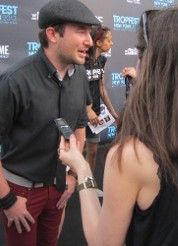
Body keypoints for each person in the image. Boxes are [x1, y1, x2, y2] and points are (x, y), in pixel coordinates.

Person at [58, 8, 178, 246]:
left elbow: (103, 242)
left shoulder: (131, 156)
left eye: (139, 51)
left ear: (150, 62)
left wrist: (83, 170)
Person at [0, 0, 100, 245]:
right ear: (53, 34)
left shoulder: (79, 76)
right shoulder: (15, 81)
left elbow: (78, 126)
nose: (90, 40)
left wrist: (72, 177)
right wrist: (8, 200)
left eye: (90, 32)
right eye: (81, 31)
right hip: (20, 193)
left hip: (59, 188)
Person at [85, 26, 118, 172]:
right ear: (98, 42)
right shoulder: (82, 60)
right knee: (76, 155)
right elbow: (74, 88)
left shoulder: (102, 60)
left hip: (95, 116)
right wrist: (87, 110)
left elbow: (102, 89)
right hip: (79, 115)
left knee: (92, 152)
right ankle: (73, 187)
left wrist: (113, 113)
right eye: (109, 40)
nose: (112, 43)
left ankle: (88, 186)